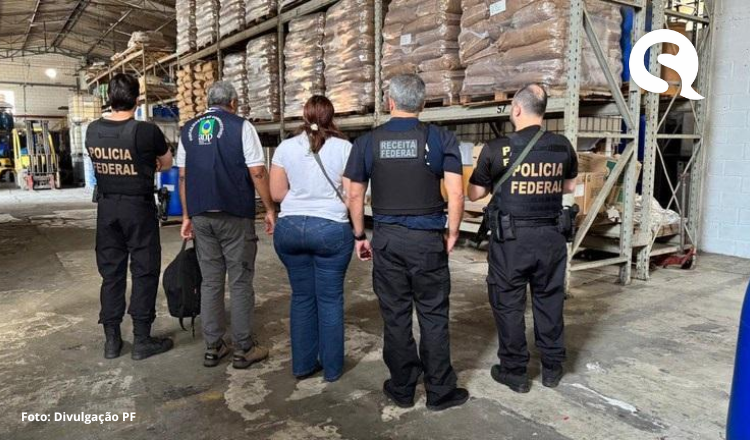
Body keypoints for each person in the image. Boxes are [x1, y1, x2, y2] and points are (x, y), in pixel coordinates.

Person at [345, 74, 469, 411]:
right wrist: (453, 232)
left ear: (390, 102)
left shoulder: (367, 143)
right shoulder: (441, 138)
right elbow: (456, 193)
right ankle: (440, 391)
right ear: (423, 103)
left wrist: (360, 235)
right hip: (427, 240)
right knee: (433, 314)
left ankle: (402, 389)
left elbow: (354, 194)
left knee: (395, 316)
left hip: (387, 241)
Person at [467, 84, 578, 393]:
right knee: (549, 299)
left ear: (516, 109)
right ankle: (552, 368)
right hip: (552, 237)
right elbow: (570, 186)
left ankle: (515, 372)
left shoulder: (497, 148)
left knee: (508, 304)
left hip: (511, 241)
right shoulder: (562, 146)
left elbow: (475, 193)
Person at [177, 81, 275, 369]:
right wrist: (270, 208)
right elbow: (257, 172)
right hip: (234, 214)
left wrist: (187, 215)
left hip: (201, 215)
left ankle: (213, 346)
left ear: (208, 102)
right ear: (233, 102)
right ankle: (244, 348)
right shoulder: (241, 127)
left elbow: (183, 177)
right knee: (240, 280)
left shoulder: (188, 130)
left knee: (210, 281)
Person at [86, 73, 174, 360]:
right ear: (137, 99)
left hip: (107, 209)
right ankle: (141, 339)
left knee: (111, 273)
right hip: (138, 208)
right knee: (144, 270)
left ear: (109, 99)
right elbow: (166, 163)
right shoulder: (147, 131)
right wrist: (146, 165)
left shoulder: (92, 130)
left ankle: (112, 341)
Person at [269, 96, 353, 382]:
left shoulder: (285, 147)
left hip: (289, 229)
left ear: (304, 116)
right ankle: (332, 369)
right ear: (331, 116)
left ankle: (303, 366)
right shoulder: (344, 148)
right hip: (330, 229)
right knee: (330, 300)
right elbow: (353, 195)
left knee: (302, 297)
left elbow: (277, 193)